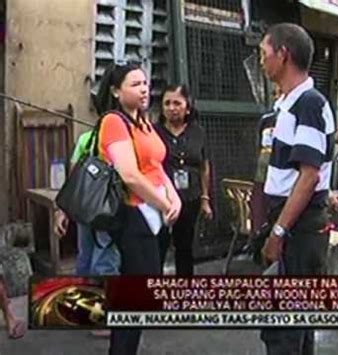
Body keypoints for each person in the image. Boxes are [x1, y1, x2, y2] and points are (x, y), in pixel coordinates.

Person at [94, 62, 181, 355]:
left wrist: (174, 198)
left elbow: (156, 165)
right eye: (134, 84)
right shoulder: (114, 122)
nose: (144, 89)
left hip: (155, 216)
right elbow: (130, 175)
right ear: (117, 91)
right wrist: (164, 203)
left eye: (144, 83)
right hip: (134, 216)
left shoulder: (143, 122)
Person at [259, 23, 335, 355]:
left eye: (264, 53)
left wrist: (278, 230)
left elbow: (309, 177)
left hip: (300, 226)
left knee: (285, 328)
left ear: (283, 55)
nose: (261, 61)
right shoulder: (287, 105)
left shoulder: (309, 103)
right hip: (290, 220)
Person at [154, 84, 213, 276]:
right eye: (167, 103)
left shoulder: (199, 132)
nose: (172, 108)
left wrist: (205, 199)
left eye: (177, 103)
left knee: (184, 248)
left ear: (187, 107)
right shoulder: (153, 132)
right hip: (160, 199)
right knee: (158, 247)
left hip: (190, 198)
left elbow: (204, 166)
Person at [54, 130, 120, 277]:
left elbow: (74, 178)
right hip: (107, 208)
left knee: (85, 256)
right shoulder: (121, 137)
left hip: (84, 206)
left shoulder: (86, 137)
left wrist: (63, 211)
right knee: (105, 260)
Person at [251, 85, 282, 233]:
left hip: (283, 180)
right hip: (262, 175)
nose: (278, 97)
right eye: (275, 94)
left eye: (281, 93)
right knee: (261, 216)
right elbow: (258, 146)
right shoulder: (266, 119)